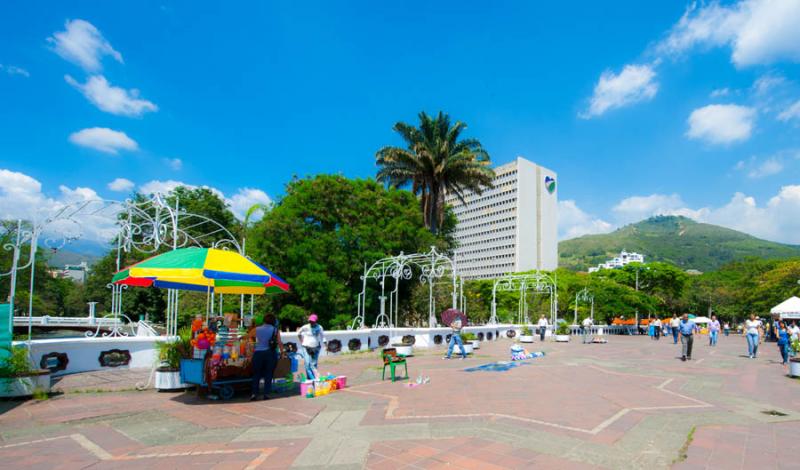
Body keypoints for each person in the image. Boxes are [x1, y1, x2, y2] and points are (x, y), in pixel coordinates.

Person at [249, 314, 284, 401]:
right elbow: (279, 342)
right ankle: (266, 394)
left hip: (258, 353)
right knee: (269, 374)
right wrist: (282, 352)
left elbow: (247, 337)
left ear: (264, 320)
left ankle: (254, 394)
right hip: (270, 353)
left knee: (256, 374)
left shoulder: (257, 329)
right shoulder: (275, 330)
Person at [298, 314, 324, 380]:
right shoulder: (305, 327)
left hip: (316, 347)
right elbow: (299, 333)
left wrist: (326, 345)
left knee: (314, 364)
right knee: (307, 363)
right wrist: (302, 341)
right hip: (306, 347)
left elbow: (322, 336)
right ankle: (310, 378)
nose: (311, 323)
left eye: (313, 321)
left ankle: (315, 378)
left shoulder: (319, 327)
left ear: (316, 321)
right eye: (310, 321)